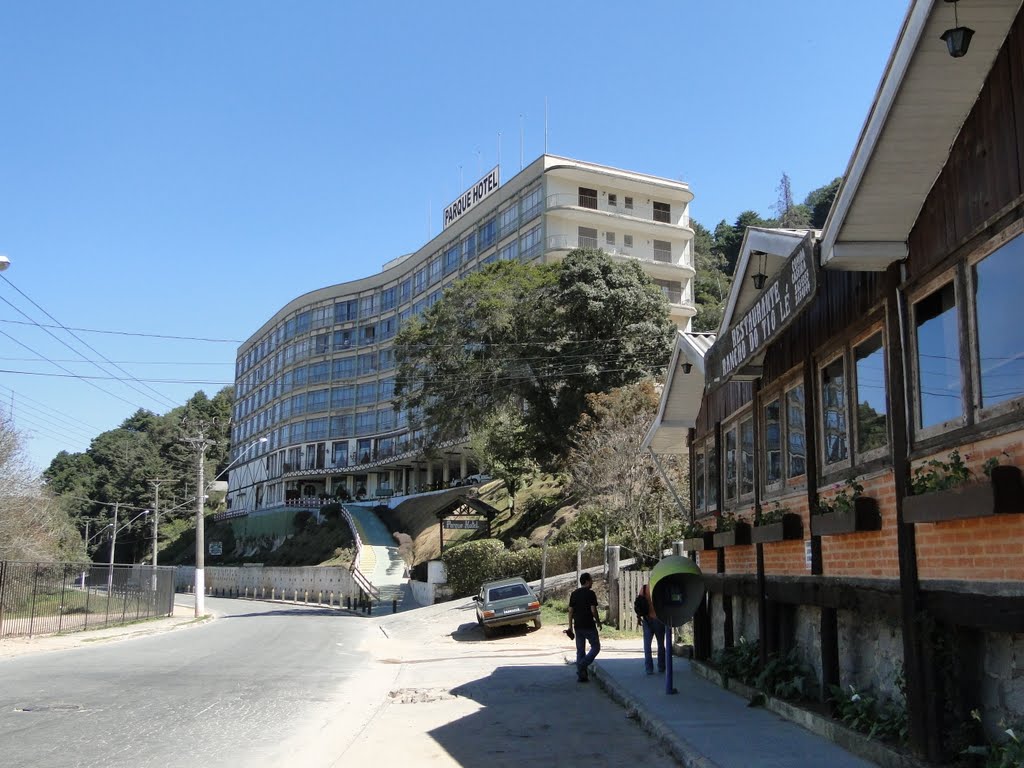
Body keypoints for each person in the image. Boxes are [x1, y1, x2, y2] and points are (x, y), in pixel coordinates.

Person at [567, 572, 601, 682]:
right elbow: (593, 610)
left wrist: (570, 627)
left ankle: (582, 676)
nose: (592, 582)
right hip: (589, 625)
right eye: (591, 580)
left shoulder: (574, 594)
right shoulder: (591, 594)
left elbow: (570, 612)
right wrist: (598, 621)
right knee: (596, 647)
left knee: (580, 651)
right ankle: (582, 665)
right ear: (586, 581)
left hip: (578, 626)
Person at [636, 583, 665, 675]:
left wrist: (638, 617)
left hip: (647, 619)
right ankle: (661, 666)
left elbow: (639, 604)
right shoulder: (660, 588)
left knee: (647, 645)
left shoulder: (644, 588)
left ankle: (649, 669)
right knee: (660, 644)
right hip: (659, 619)